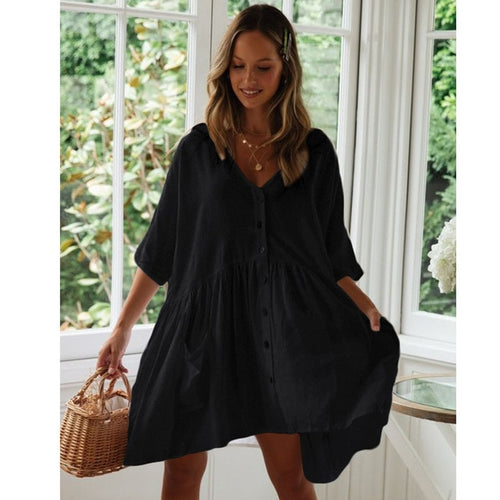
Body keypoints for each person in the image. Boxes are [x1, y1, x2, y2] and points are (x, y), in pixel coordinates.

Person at [97, 5, 399, 499]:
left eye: (263, 66)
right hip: (202, 337)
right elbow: (161, 249)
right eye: (238, 66)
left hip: (278, 342)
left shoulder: (313, 153)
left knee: (290, 479)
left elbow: (329, 254)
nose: (248, 79)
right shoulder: (198, 151)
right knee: (181, 475)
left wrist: (362, 304)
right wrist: (123, 326)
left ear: (286, 68)